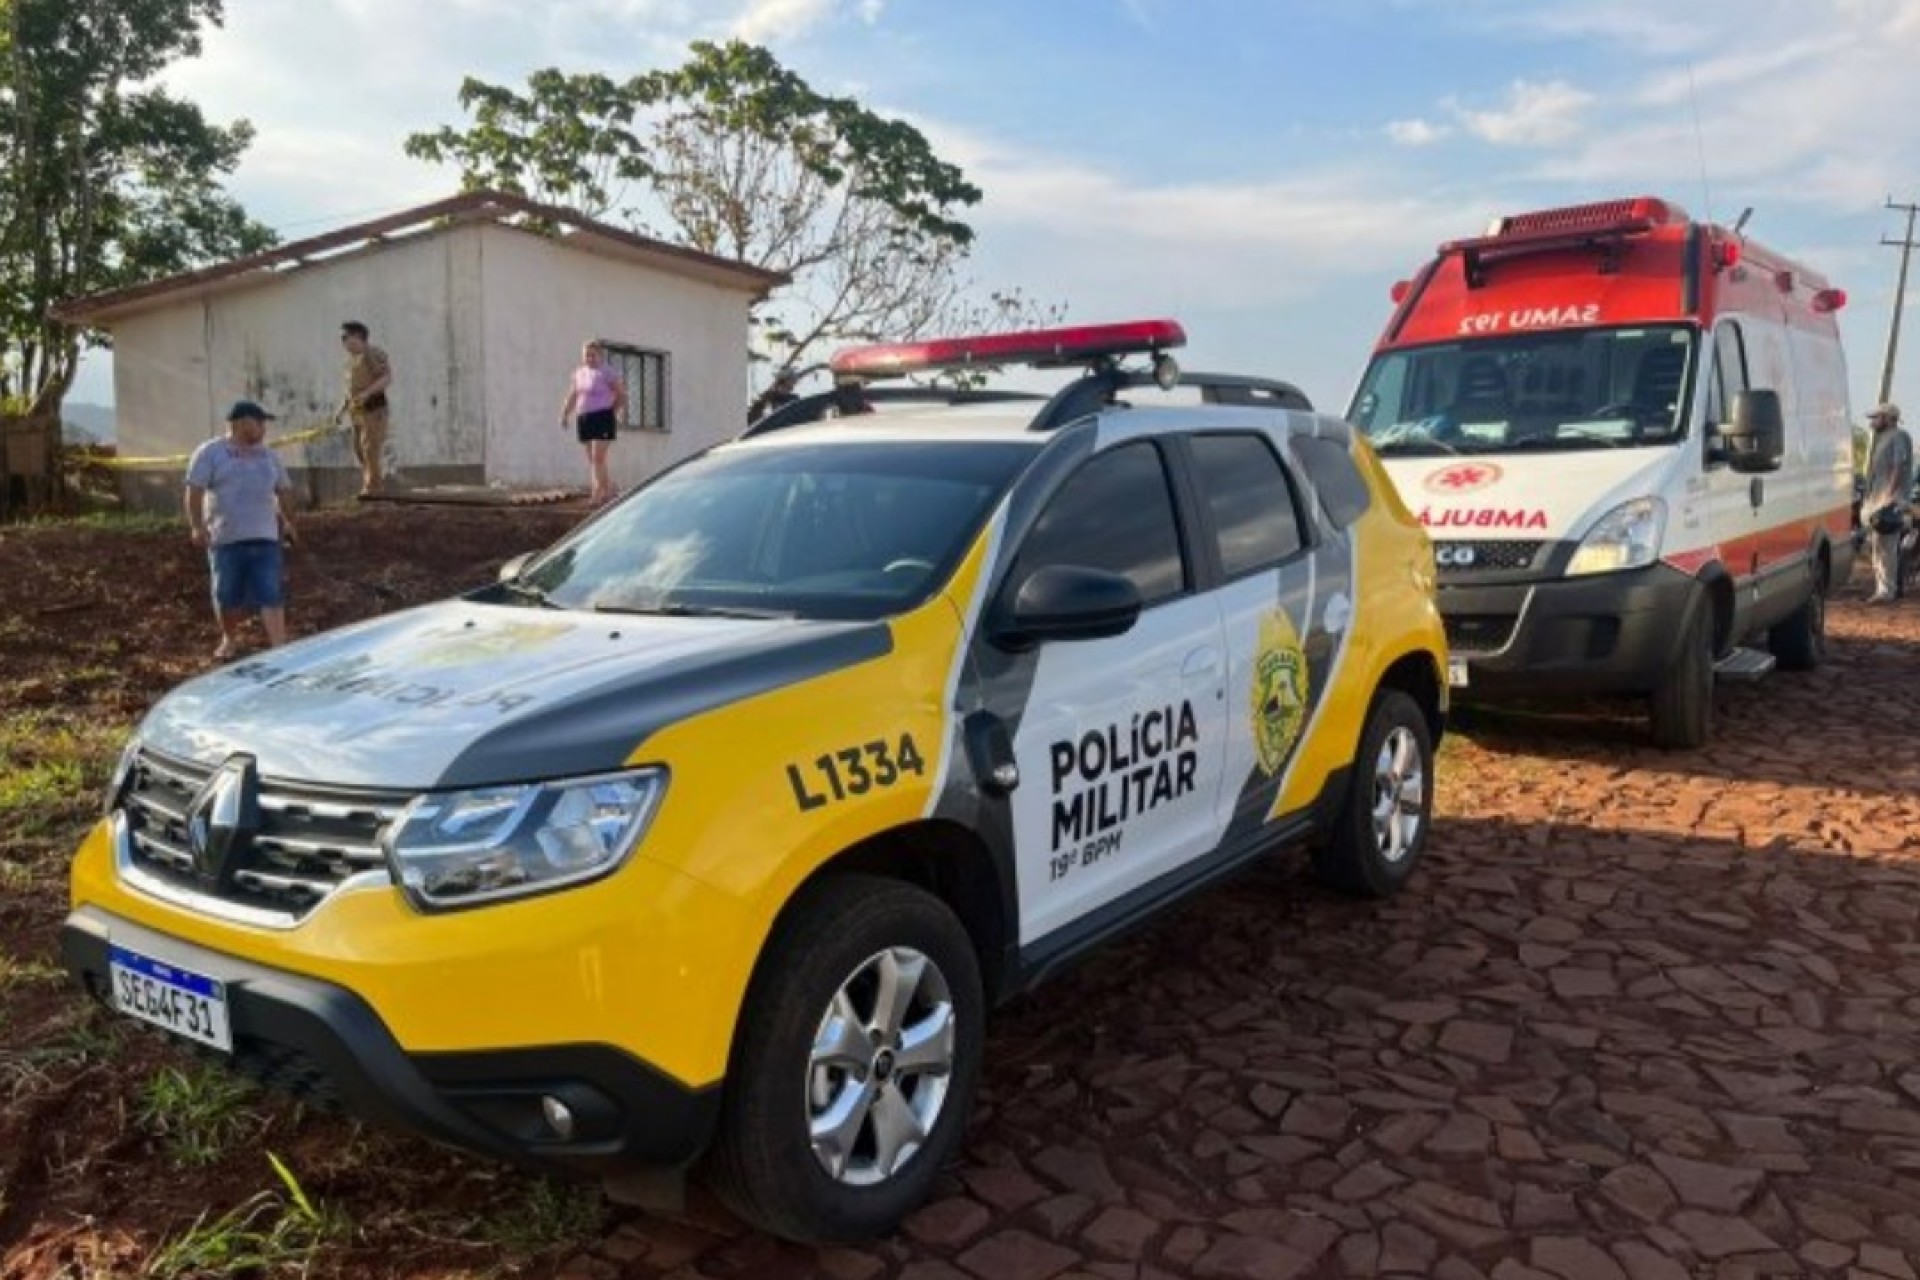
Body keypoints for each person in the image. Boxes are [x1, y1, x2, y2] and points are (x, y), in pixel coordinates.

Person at [185, 400, 297, 661]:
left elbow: (285, 490)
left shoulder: (270, 456)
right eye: (260, 423)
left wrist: (290, 521)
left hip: (266, 536)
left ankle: (278, 646)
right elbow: (194, 490)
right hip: (225, 537)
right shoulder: (211, 452)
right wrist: (196, 526)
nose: (263, 430)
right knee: (227, 594)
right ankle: (230, 638)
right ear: (242, 423)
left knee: (271, 591)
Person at [558, 340, 628, 505]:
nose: (589, 358)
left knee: (598, 457)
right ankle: (608, 489)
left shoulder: (607, 372)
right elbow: (573, 395)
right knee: (592, 459)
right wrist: (565, 414)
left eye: (592, 355)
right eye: (586, 355)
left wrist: (612, 411)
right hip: (584, 417)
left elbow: (622, 394)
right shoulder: (579, 373)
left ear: (600, 355)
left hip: (602, 416)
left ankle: (599, 493)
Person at [1862, 402, 1914, 604]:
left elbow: (1897, 467)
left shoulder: (1899, 436)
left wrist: (1888, 496)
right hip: (1878, 498)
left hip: (1890, 500)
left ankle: (1887, 591)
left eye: (1877, 417)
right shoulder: (1882, 438)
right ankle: (1882, 588)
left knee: (1887, 546)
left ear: (1889, 418)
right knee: (1877, 545)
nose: (1873, 421)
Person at [334, 320, 392, 498]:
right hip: (357, 412)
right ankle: (370, 485)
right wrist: (341, 410)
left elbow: (386, 377)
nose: (343, 342)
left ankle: (374, 489)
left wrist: (367, 393)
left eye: (346, 337)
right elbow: (350, 390)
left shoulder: (372, 353)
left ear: (358, 337)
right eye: (342, 338)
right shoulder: (350, 362)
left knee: (370, 448)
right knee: (360, 450)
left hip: (374, 408)